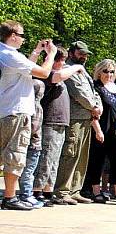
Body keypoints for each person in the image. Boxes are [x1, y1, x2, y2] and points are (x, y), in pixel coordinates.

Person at [0, 20, 56, 210]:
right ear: (13, 36)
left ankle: (10, 196)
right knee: (15, 155)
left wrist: (37, 52)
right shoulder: (9, 54)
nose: (23, 39)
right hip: (16, 112)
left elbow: (24, 69)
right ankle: (9, 198)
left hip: (7, 110)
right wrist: (51, 55)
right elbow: (44, 72)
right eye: (22, 35)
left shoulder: (7, 55)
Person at [31, 47, 85, 206]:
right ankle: (37, 190)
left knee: (54, 161)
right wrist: (77, 67)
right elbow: (58, 76)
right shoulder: (46, 74)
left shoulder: (61, 75)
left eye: (63, 60)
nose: (61, 64)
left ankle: (48, 191)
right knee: (46, 158)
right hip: (50, 122)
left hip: (61, 123)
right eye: (58, 60)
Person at [53, 41, 102, 205]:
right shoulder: (68, 68)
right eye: (81, 53)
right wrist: (93, 107)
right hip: (74, 118)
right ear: (72, 52)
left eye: (86, 54)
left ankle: (75, 190)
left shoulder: (83, 70)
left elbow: (93, 91)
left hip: (87, 118)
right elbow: (77, 92)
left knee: (81, 156)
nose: (84, 56)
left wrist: (98, 106)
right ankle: (61, 191)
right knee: (70, 153)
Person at [85, 59, 116, 203]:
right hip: (102, 129)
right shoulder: (96, 87)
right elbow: (92, 111)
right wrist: (97, 130)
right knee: (98, 161)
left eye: (111, 71)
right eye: (105, 71)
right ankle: (96, 191)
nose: (108, 74)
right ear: (99, 72)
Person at [17, 80, 45, 208]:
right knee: (28, 172)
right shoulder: (36, 107)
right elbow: (34, 126)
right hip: (33, 144)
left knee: (24, 171)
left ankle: (25, 193)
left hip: (28, 143)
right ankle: (26, 194)